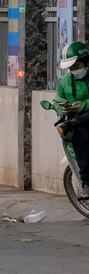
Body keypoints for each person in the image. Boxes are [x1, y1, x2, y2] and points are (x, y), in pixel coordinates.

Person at [56, 42, 89, 183]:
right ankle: (86, 181)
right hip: (81, 124)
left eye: (77, 66)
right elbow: (57, 101)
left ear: (85, 61)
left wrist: (82, 105)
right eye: (71, 67)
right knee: (80, 137)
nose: (74, 70)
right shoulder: (65, 82)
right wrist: (61, 109)